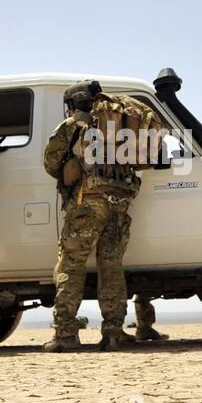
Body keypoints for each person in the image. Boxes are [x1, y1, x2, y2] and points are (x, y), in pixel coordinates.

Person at [41, 80, 163, 351]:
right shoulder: (118, 127)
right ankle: (112, 332)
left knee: (71, 266)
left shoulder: (73, 127)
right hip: (119, 204)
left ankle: (65, 334)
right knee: (111, 267)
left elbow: (51, 164)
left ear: (73, 106)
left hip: (86, 205)